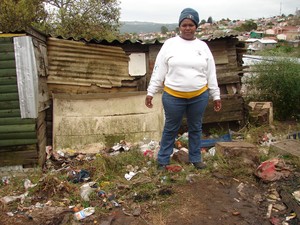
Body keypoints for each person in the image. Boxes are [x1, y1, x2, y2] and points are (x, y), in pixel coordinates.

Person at [145, 7, 222, 170]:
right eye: (184, 25)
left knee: (196, 127)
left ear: (196, 27)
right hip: (173, 96)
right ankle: (163, 160)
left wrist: (216, 95)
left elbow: (211, 73)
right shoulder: (169, 45)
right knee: (171, 128)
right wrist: (151, 92)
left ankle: (195, 158)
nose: (187, 28)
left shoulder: (203, 47)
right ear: (180, 26)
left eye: (191, 25)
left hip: (199, 95)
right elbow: (159, 70)